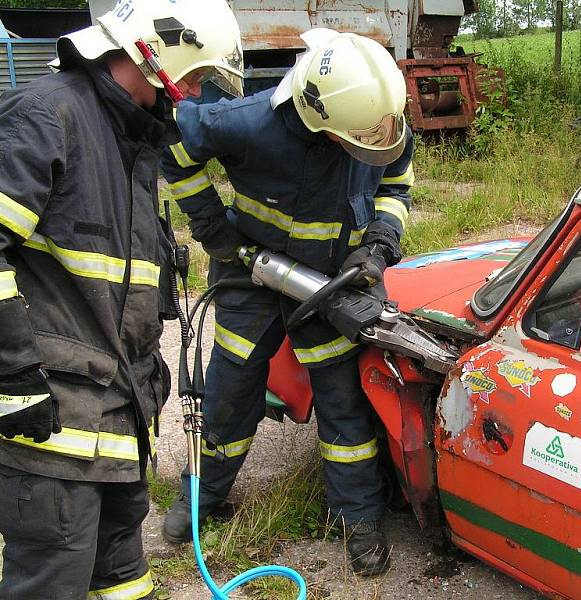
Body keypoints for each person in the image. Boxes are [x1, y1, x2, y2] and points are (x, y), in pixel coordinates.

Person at [0, 2, 243, 597]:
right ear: (155, 52)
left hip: (118, 416)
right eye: (193, 76)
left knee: (125, 580)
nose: (191, 94)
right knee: (53, 580)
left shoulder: (130, 135)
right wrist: (13, 376)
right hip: (54, 425)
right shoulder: (48, 116)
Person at [159, 28, 413, 577]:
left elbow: (397, 175)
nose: (375, 138)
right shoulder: (245, 123)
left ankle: (357, 518)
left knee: (343, 399)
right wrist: (212, 229)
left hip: (333, 282)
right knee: (230, 390)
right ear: (318, 119)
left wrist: (380, 244)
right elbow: (175, 150)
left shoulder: (373, 115)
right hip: (251, 275)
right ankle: (202, 500)